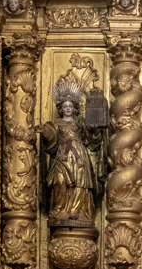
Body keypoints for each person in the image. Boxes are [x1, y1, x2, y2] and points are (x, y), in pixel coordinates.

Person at [39, 79, 105, 224]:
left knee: (80, 184)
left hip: (79, 157)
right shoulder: (55, 123)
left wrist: (96, 130)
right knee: (59, 181)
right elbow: (50, 133)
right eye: (65, 106)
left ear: (74, 107)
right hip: (62, 156)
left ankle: (78, 211)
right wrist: (44, 131)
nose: (68, 108)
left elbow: (91, 139)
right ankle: (59, 210)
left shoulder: (80, 123)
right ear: (60, 108)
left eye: (70, 106)